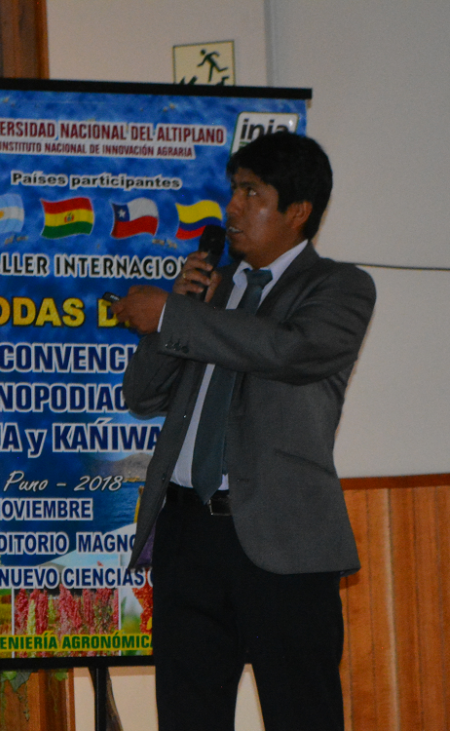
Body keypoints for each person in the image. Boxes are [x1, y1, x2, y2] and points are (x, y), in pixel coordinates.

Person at [111, 132, 375, 731]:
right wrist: (179, 311)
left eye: (251, 193)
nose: (231, 207)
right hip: (186, 535)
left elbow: (288, 350)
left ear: (298, 211)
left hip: (282, 542)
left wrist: (177, 316)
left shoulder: (339, 287)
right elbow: (142, 395)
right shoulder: (213, 290)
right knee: (188, 717)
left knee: (301, 715)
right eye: (233, 190)